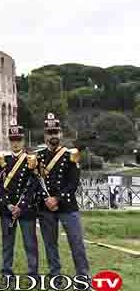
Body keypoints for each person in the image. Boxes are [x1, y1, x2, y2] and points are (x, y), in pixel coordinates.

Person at [37, 113, 90, 278]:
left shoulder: (70, 155)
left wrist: (57, 198)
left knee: (76, 243)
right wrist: (46, 199)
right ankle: (55, 276)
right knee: (50, 245)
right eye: (50, 132)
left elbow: (73, 183)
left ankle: (82, 277)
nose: (53, 135)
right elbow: (36, 182)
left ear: (60, 134)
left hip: (67, 206)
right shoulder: (39, 157)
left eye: (56, 132)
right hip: (46, 207)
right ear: (45, 135)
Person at [0, 124, 39, 276]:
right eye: (13, 140)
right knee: (7, 243)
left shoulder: (30, 160)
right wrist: (8, 205)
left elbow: (33, 185)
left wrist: (21, 205)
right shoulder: (3, 159)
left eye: (18, 140)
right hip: (7, 209)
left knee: (30, 243)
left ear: (23, 141)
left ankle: (33, 273)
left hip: (26, 209)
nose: (15, 143)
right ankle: (6, 271)